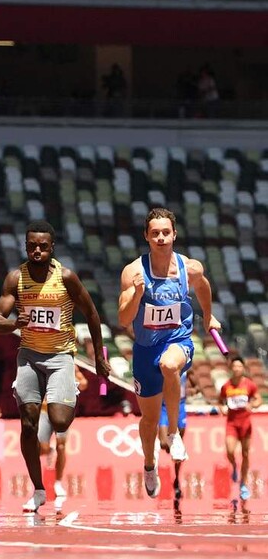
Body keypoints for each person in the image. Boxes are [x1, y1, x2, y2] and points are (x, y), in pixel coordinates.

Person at [0, 220, 111, 512]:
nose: (37, 251)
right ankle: (37, 489)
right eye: (32, 246)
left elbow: (92, 314)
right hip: (29, 355)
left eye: (43, 247)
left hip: (60, 357)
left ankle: (68, 392)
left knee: (59, 422)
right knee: (28, 423)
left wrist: (99, 356)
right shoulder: (15, 279)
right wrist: (12, 325)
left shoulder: (66, 278)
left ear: (51, 248)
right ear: (25, 246)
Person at [118, 207, 220, 498]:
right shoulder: (134, 271)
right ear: (146, 237)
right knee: (149, 420)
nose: (161, 238)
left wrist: (209, 315)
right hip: (144, 349)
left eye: (166, 232)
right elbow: (124, 319)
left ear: (174, 234)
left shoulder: (190, 268)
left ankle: (174, 433)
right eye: (155, 233)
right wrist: (137, 294)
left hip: (178, 341)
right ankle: (149, 464)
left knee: (170, 365)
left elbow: (203, 287)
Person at [38, 365, 88, 500]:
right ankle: (49, 450)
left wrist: (72, 386)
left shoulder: (71, 366)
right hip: (44, 412)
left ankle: (58, 482)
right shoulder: (44, 363)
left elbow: (83, 384)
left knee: (61, 446)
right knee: (41, 449)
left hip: (62, 411)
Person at [219, 356, 261, 501]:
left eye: (239, 366)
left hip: (245, 423)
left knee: (245, 453)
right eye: (234, 366)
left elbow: (258, 398)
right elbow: (220, 401)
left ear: (243, 368)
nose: (236, 369)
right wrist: (222, 408)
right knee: (230, 451)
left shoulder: (249, 384)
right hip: (231, 423)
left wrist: (253, 405)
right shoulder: (226, 386)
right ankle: (234, 466)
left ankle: (243, 484)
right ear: (231, 368)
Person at [158, 369, 200, 500]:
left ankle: (177, 479)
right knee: (164, 443)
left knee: (178, 448)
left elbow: (197, 387)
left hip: (180, 406)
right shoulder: (162, 365)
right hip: (164, 407)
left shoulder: (186, 368)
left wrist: (192, 390)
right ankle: (171, 447)